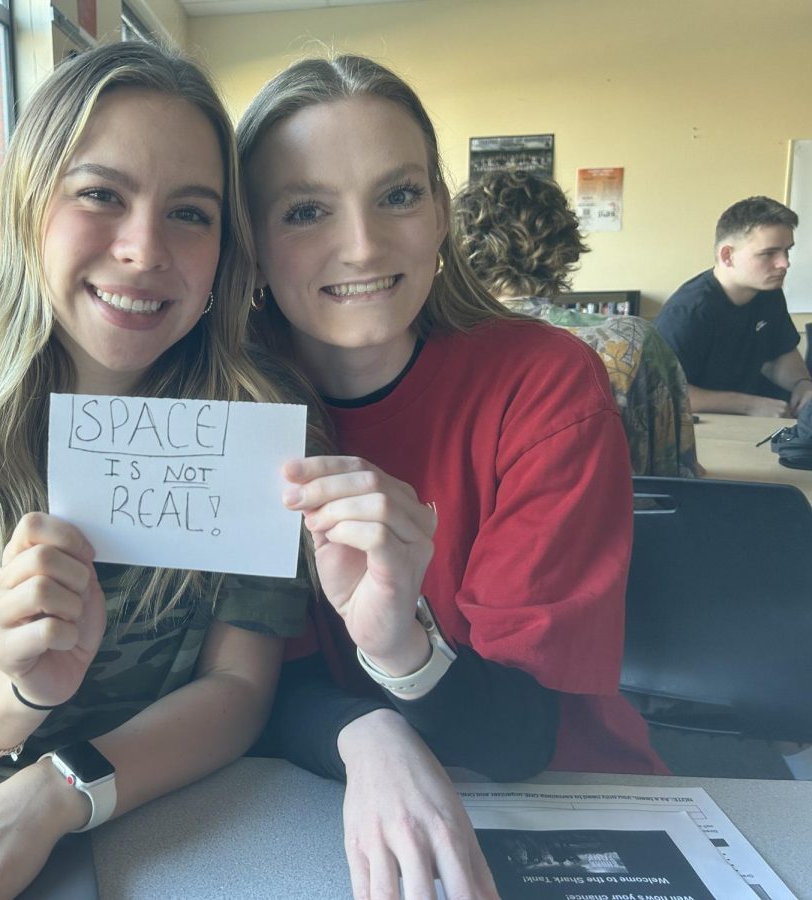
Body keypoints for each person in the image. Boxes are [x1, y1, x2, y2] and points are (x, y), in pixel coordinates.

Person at [0, 42, 310, 899]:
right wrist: (17, 689)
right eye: (100, 195)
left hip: (179, 817)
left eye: (190, 213)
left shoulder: (256, 419)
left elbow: (239, 688)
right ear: (28, 202)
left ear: (224, 247)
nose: (143, 248)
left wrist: (55, 793)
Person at [239, 55, 666, 900]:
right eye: (306, 210)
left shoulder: (544, 384)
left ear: (440, 211)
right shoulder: (239, 406)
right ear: (250, 241)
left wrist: (399, 647)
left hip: (558, 802)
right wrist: (372, 735)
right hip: (320, 803)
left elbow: (519, 738)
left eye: (397, 194)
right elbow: (253, 684)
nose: (361, 244)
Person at [452, 169, 699, 477]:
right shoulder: (633, 341)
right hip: (621, 523)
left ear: (457, 249)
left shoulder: (438, 344)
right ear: (565, 242)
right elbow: (676, 476)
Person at [655, 196, 812, 417]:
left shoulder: (769, 292)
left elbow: (780, 354)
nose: (784, 263)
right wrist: (749, 405)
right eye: (769, 253)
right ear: (727, 256)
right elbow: (664, 393)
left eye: (787, 251)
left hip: (750, 423)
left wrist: (803, 383)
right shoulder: (687, 312)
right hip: (702, 431)